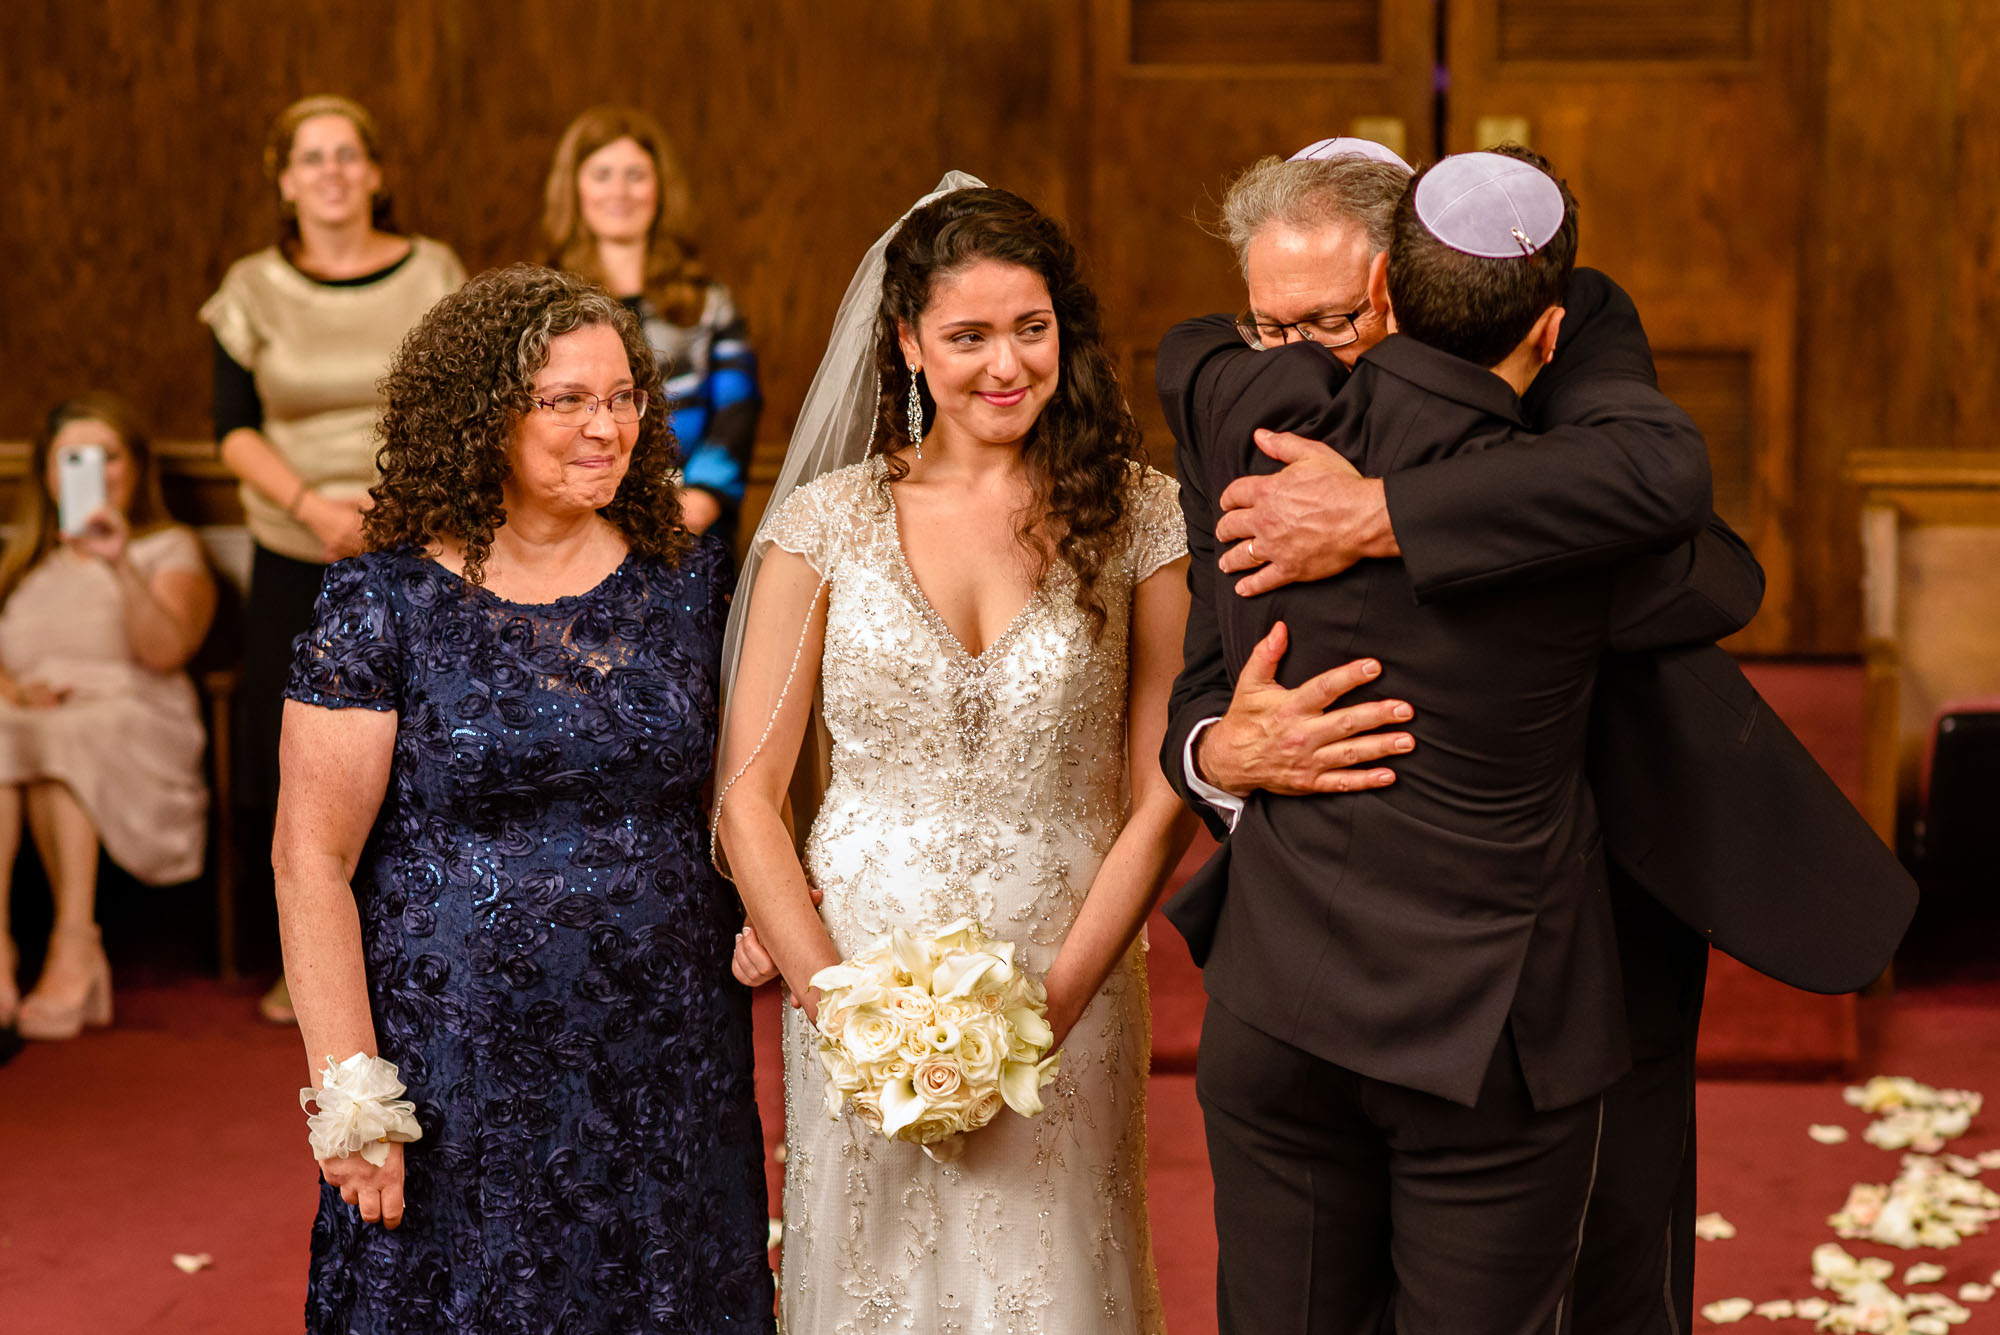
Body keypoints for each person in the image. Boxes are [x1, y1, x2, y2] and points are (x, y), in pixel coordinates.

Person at [1160, 145, 1914, 1333]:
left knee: (1613, 1264)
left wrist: (1387, 516)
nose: (1305, 362)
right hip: (1317, 943)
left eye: (1334, 321)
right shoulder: (1253, 421)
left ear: (1406, 284)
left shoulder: (1566, 329)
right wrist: (1215, 751)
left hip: (1593, 911)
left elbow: (1705, 563)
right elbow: (1206, 663)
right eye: (1271, 329)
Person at [716, 177, 1194, 1333]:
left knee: (1055, 1281)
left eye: (1030, 328)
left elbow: (1163, 795)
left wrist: (1053, 1005)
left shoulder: (1139, 517)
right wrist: (846, 1016)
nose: (1004, 365)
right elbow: (745, 800)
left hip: (1068, 961)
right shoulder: (823, 524)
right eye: (966, 335)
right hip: (863, 980)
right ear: (905, 342)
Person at [274, 264, 773, 1332]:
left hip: (665, 1060)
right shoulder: (384, 600)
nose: (608, 427)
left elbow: (750, 792)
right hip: (458, 1066)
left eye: (624, 396)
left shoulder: (694, 583)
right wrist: (352, 1092)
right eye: (568, 402)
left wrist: (766, 911)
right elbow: (308, 859)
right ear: (483, 417)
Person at [202, 93, 466, 1024]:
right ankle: (303, 962)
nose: (332, 173)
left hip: (419, 538)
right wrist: (313, 506)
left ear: (377, 173)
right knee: (295, 761)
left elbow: (464, 403)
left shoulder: (431, 269)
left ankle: (414, 945)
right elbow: (232, 429)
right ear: (285, 181)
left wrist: (396, 512)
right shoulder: (250, 288)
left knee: (415, 747)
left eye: (348, 155)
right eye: (311, 158)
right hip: (293, 542)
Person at [0, 394, 216, 1041]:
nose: (91, 470)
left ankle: (73, 945)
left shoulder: (167, 546)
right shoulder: (25, 558)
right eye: (72, 458)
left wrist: (118, 559)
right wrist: (13, 689)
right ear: (44, 472)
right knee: (17, 733)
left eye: (106, 457)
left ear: (134, 466)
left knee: (65, 738)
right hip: (32, 713)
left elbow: (166, 650)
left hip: (137, 713)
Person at [543, 105, 761, 547]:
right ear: (575, 189)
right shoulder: (543, 304)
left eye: (635, 176)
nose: (619, 191)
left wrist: (698, 502)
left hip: (692, 523)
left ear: (660, 189)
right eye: (602, 174)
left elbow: (737, 408)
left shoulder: (709, 302)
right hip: (573, 523)